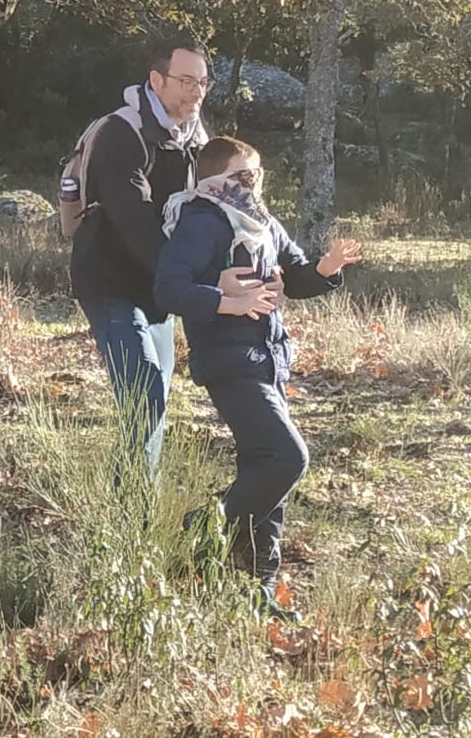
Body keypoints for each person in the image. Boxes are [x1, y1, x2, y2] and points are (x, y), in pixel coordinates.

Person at [154, 136, 361, 618]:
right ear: (216, 181)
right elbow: (169, 289)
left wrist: (327, 269)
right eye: (246, 176)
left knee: (266, 475)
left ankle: (258, 593)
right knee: (286, 458)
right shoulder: (201, 220)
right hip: (229, 363)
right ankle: (199, 533)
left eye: (259, 173)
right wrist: (229, 302)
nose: (256, 183)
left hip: (269, 361)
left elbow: (296, 274)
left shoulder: (262, 222)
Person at [67, 39, 216, 480]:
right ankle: (129, 514)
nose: (197, 92)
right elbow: (135, 222)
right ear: (156, 80)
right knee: (145, 394)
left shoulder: (195, 137)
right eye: (186, 81)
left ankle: (135, 509)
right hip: (111, 282)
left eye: (203, 82)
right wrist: (190, 286)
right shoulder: (120, 133)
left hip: (158, 287)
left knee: (155, 400)